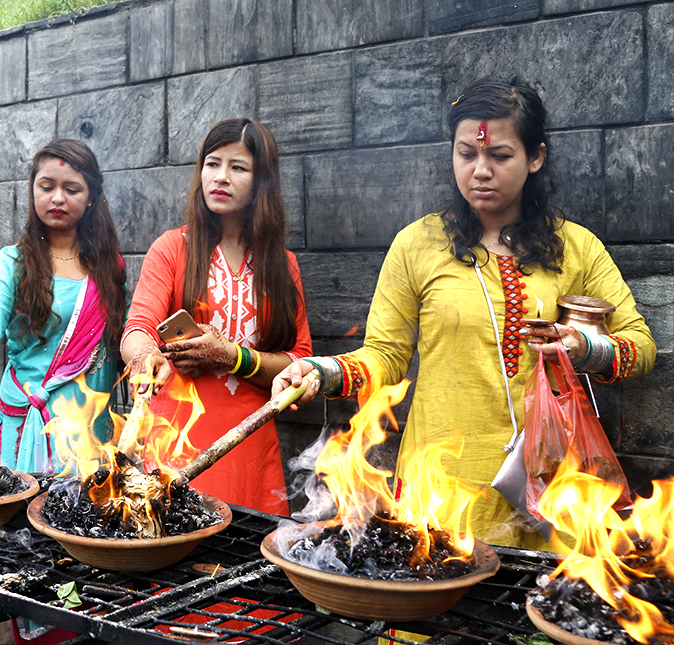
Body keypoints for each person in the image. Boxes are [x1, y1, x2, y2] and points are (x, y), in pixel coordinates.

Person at [272, 76, 656, 548]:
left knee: (532, 617)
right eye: (466, 154)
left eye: (499, 156)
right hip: (439, 489)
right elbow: (385, 356)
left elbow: (639, 347)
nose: (480, 170)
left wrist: (584, 348)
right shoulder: (417, 244)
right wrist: (320, 369)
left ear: (535, 157)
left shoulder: (577, 248)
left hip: (548, 487)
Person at [122, 118, 312, 516]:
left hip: (251, 445)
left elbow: (300, 361)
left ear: (263, 182)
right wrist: (144, 357)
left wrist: (232, 356)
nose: (220, 177)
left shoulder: (282, 265)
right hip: (176, 441)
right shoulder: (172, 248)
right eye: (212, 163)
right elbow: (138, 328)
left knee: (246, 567)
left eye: (237, 167)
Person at [0, 139, 127, 474]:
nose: (58, 198)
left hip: (91, 428)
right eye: (46, 186)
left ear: (91, 197)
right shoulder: (10, 264)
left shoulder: (110, 267)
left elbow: (124, 335)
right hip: (29, 423)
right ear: (33, 191)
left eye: (72, 189)